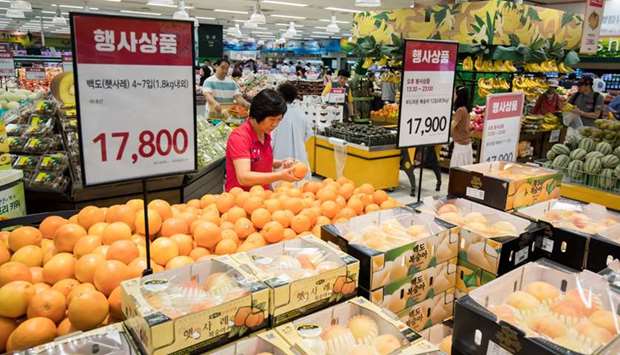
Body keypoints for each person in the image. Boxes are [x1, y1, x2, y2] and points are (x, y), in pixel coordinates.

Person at [225, 89, 300, 192]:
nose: (275, 124)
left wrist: (280, 163)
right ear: (258, 114)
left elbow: (256, 158)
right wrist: (280, 175)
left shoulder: (264, 133)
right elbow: (243, 177)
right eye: (272, 120)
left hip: (262, 197)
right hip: (241, 201)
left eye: (279, 120)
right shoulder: (240, 137)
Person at [272, 83, 310, 176]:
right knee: (302, 186)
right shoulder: (301, 113)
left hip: (280, 157)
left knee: (280, 186)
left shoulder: (275, 114)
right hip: (300, 157)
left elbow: (270, 138)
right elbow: (307, 134)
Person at [450, 86, 473, 167]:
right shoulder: (466, 109)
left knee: (456, 171)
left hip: (460, 146)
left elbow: (452, 126)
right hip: (467, 144)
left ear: (459, 96)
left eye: (455, 94)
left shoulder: (460, 110)